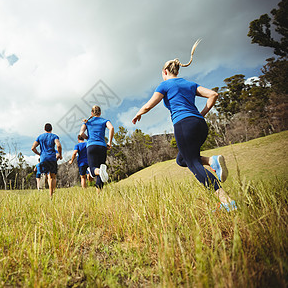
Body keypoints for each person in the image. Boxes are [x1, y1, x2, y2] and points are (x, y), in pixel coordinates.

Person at [131, 39, 236, 211]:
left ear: (165, 71)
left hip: (183, 125)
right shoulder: (189, 84)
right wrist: (201, 114)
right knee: (182, 160)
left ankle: (227, 202)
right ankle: (211, 160)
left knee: (193, 164)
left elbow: (149, 105)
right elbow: (214, 94)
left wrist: (138, 114)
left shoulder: (165, 84)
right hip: (200, 125)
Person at [79, 105, 114, 192]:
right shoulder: (104, 121)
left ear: (92, 113)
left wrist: (87, 137)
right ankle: (99, 194)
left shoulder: (87, 122)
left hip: (91, 146)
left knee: (93, 169)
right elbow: (111, 128)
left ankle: (99, 171)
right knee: (101, 168)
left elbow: (81, 133)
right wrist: (109, 142)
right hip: (102, 146)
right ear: (100, 113)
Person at [31, 123, 62, 197]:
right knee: (52, 177)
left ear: (44, 129)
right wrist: (60, 154)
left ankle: (42, 189)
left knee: (45, 175)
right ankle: (51, 194)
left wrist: (39, 154)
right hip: (52, 158)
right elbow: (58, 145)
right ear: (51, 129)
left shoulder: (40, 137)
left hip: (43, 158)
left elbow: (33, 148)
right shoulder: (54, 136)